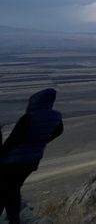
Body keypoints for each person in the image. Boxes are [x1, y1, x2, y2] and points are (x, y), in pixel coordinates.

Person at [0, 89, 63, 224]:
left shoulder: (29, 117)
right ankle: (14, 220)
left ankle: (12, 219)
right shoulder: (56, 116)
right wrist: (39, 142)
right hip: (32, 160)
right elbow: (58, 131)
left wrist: (2, 153)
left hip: (13, 160)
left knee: (4, 190)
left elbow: (13, 140)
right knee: (13, 189)